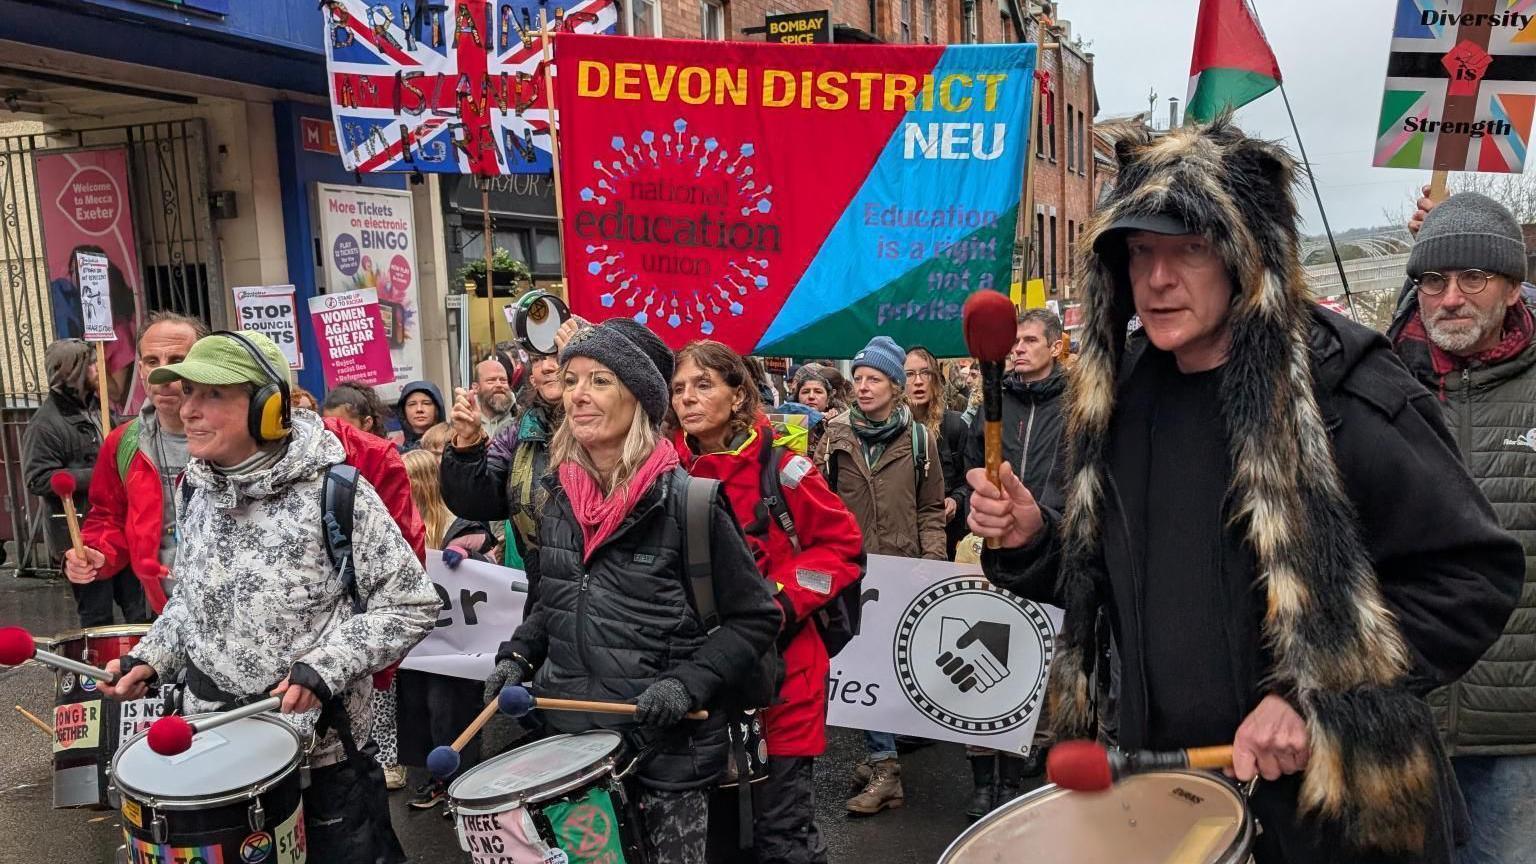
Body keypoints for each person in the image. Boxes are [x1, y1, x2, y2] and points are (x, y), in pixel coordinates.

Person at [966, 119, 1524, 863]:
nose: (1158, 278)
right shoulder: (1120, 401)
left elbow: (1470, 576)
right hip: (1168, 805)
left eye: (1189, 248)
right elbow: (1108, 589)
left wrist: (1314, 697)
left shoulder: (1344, 390)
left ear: (1242, 255)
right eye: (1140, 252)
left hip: (1338, 823)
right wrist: (1037, 539)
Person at [99, 330, 438, 864]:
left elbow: (412, 604)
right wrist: (152, 656)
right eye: (185, 394)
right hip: (215, 744)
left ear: (268, 407)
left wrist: (324, 666)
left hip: (320, 759)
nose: (188, 410)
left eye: (211, 395)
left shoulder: (338, 491)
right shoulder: (195, 488)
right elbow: (189, 600)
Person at [480, 320, 779, 864]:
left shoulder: (691, 503)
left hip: (665, 754)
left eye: (599, 381)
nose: (578, 395)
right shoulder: (558, 500)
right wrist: (519, 654)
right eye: (571, 381)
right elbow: (554, 599)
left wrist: (688, 684)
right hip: (572, 748)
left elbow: (755, 620)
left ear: (638, 398)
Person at [671, 340, 864, 864]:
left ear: (738, 396)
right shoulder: (670, 475)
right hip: (708, 682)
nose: (688, 398)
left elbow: (843, 547)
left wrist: (776, 597)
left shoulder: (785, 469)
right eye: (679, 388)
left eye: (703, 385)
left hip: (786, 678)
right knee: (720, 839)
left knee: (782, 838)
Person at [1388, 192, 1536, 864]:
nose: (1451, 298)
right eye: (1434, 279)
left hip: (1514, 733)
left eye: (1474, 277)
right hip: (1396, 724)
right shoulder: (1377, 384)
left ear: (1512, 287)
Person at [815, 335, 945, 816]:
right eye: (859, 379)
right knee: (857, 667)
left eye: (874, 379)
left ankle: (884, 764)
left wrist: (929, 565)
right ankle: (881, 757)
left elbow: (931, 509)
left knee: (888, 668)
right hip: (849, 569)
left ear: (895, 386)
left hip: (900, 569)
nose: (864, 387)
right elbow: (818, 503)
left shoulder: (919, 440)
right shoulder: (833, 437)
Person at [65, 312, 207, 615]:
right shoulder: (122, 444)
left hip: (237, 612)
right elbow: (109, 518)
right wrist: (96, 552)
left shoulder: (235, 434)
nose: (163, 374)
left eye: (177, 360)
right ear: (140, 369)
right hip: (164, 609)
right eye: (153, 361)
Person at [395, 448, 495, 811]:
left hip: (455, 648)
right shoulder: (397, 523)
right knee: (417, 711)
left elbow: (487, 562)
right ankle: (432, 779)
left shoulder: (459, 525)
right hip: (418, 647)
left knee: (449, 711)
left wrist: (471, 556)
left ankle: (461, 780)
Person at [22, 338, 148, 626]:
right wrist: (100, 474)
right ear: (71, 371)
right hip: (81, 536)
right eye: (91, 363)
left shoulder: (99, 409)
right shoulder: (45, 424)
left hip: (118, 529)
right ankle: (98, 671)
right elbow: (37, 478)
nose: (98, 369)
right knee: (97, 617)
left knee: (138, 610)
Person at [441, 347, 566, 571]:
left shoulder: (615, 428)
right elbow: (476, 501)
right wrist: (467, 445)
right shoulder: (519, 434)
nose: (547, 366)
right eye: (538, 359)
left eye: (557, 356)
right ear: (532, 379)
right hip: (544, 591)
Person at [904, 346, 971, 560]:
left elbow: (970, 479)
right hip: (902, 539)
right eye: (909, 374)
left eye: (925, 373)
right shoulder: (890, 430)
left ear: (936, 380)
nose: (918, 381)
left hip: (946, 536)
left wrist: (956, 500)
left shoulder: (955, 426)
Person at [323, 380, 390, 438]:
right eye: (329, 429)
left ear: (366, 423)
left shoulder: (388, 451)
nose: (335, 437)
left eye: (344, 429)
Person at [396, 381, 445, 453]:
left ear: (437, 409)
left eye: (426, 403)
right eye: (412, 404)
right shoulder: (394, 449)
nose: (419, 409)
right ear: (403, 411)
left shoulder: (452, 443)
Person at [473, 357, 517, 439]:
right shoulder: (466, 419)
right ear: (476, 387)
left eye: (503, 380)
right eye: (491, 380)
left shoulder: (521, 418)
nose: (499, 385)